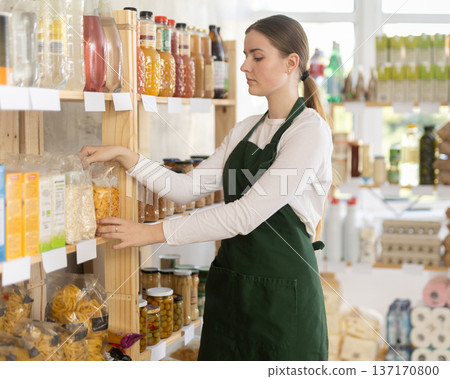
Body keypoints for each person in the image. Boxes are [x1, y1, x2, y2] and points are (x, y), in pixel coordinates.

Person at [80, 14, 333, 360]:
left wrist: (151, 233)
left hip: (283, 298)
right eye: (245, 55)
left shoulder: (309, 132)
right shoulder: (245, 129)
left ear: (292, 63)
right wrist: (129, 157)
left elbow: (245, 215)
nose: (244, 66)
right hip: (231, 292)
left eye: (257, 57)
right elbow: (186, 188)